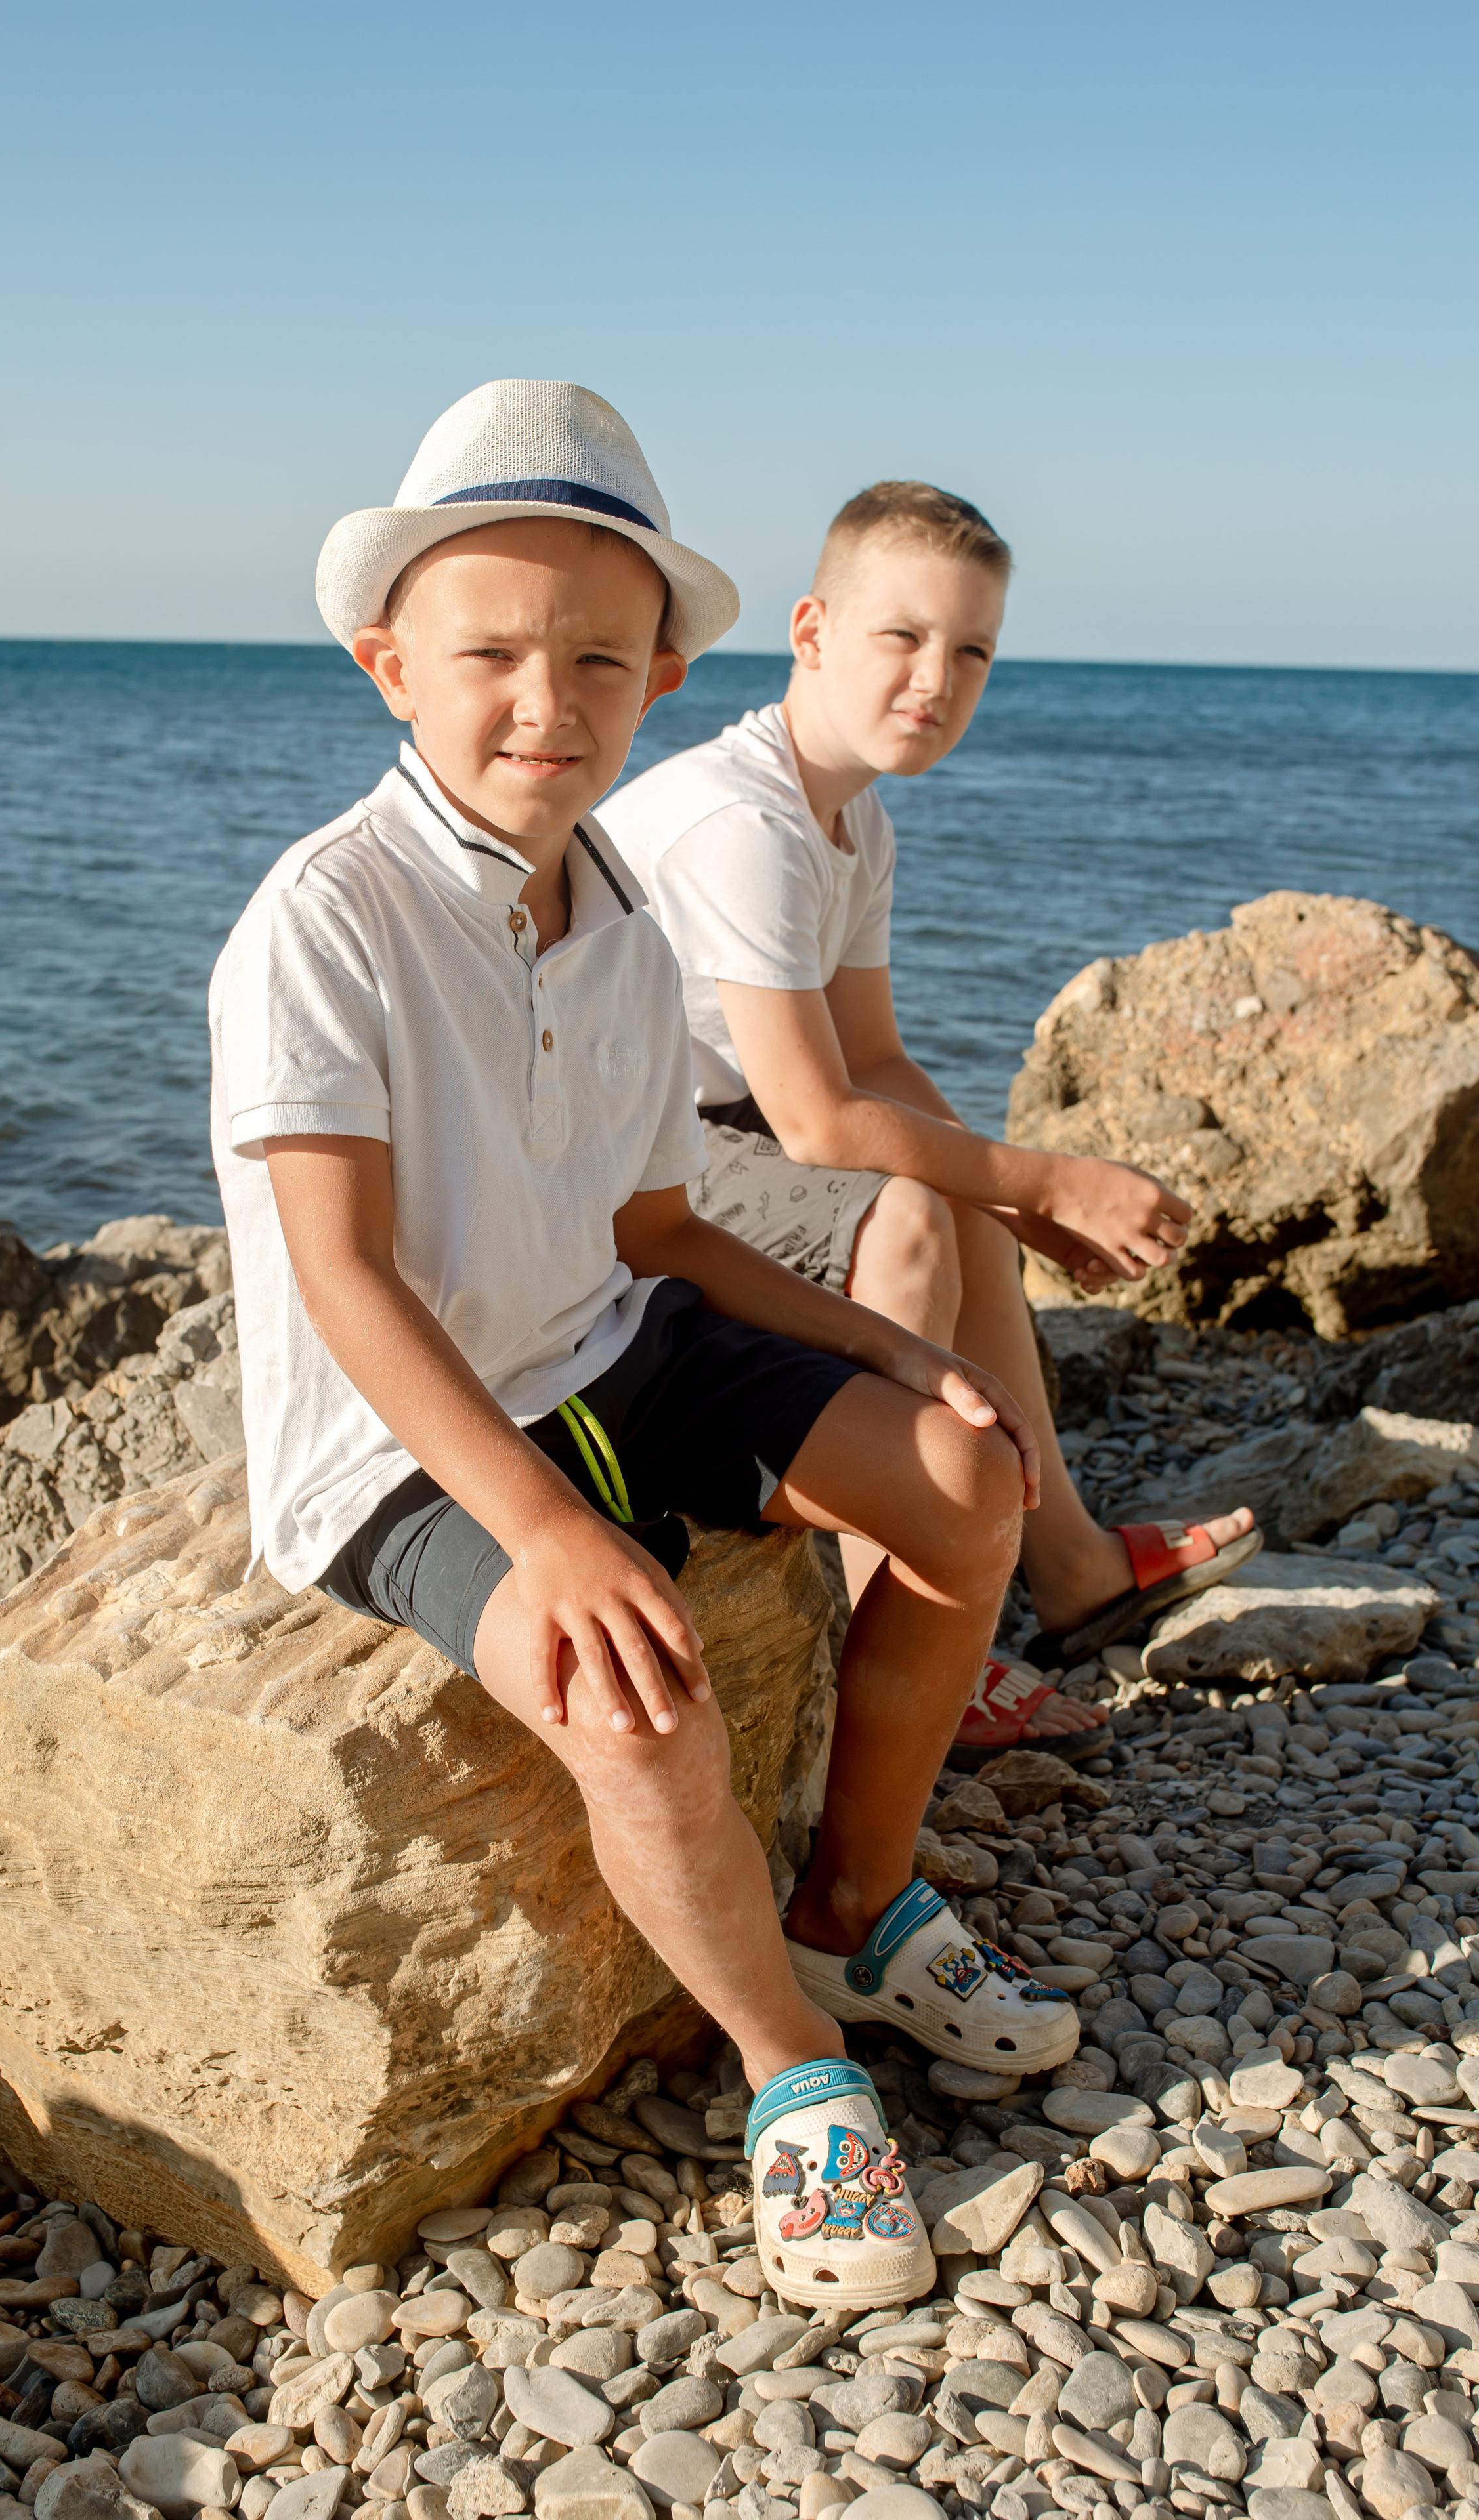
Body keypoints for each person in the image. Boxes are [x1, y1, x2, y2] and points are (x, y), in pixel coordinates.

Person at [209, 383, 1080, 2311]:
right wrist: (544, 1529)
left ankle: (853, 1900)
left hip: (611, 1337)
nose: (548, 697)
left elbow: (661, 1231)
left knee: (966, 1482)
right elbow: (347, 1280)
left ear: (664, 676)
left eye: (598, 657)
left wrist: (890, 1346)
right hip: (405, 1438)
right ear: (389, 667)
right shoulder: (322, 921)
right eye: (492, 654)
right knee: (628, 1688)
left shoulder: (611, 907)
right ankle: (795, 2065)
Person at [599, 480, 1259, 1750]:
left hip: (703, 1128)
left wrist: (1012, 1194)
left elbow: (881, 1064)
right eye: (902, 637)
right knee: (903, 1224)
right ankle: (890, 1658)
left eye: (971, 651)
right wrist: (1048, 1179)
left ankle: (1063, 1565)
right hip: (608, 1168)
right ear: (811, 632)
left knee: (957, 1207)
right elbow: (818, 1126)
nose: (935, 680)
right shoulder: (746, 824)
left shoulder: (847, 816)